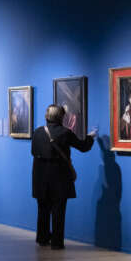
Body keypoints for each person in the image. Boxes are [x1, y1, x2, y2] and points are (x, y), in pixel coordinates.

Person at [32, 105, 96, 250]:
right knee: (58, 210)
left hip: (40, 176)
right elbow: (83, 146)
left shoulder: (37, 132)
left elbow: (33, 151)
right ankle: (56, 242)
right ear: (61, 117)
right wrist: (90, 137)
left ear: (47, 116)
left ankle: (42, 238)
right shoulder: (65, 133)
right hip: (59, 176)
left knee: (42, 209)